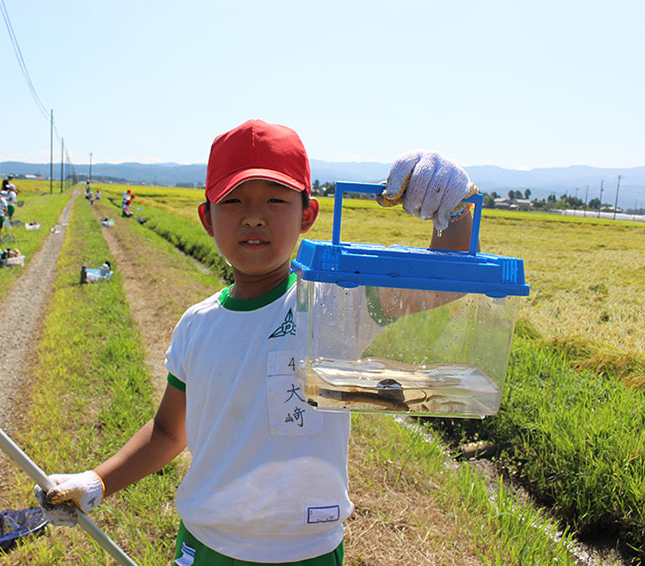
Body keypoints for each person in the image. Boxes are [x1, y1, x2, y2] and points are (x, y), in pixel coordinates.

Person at [34, 119, 477, 565]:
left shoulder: (335, 304)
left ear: (307, 215)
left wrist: (455, 206)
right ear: (207, 219)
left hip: (307, 552)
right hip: (206, 545)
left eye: (275, 199)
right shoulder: (196, 325)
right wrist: (96, 482)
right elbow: (168, 431)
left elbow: (446, 281)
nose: (253, 216)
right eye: (233, 200)